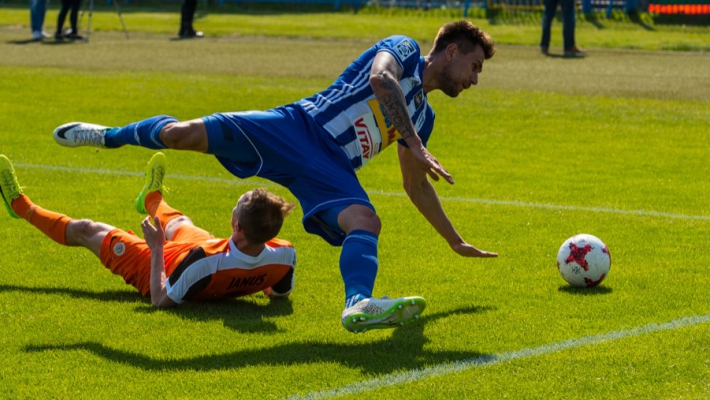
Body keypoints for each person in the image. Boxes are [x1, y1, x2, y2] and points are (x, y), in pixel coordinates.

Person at [52, 20, 498, 333]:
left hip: (331, 168)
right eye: (475, 66)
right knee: (181, 133)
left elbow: (415, 184)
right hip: (297, 128)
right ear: (452, 51)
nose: (475, 79)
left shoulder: (423, 116)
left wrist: (453, 240)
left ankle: (357, 304)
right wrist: (416, 145)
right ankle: (109, 136)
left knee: (365, 221)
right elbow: (382, 80)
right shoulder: (402, 49)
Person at [0, 152, 297, 307]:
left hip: (165, 264)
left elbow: (160, 299)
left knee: (88, 229)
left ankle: (20, 206)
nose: (234, 205)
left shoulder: (206, 260)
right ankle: (151, 197)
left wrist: (156, 248)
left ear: (238, 228)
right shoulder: (284, 254)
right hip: (212, 251)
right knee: (181, 223)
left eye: (237, 204)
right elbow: (277, 293)